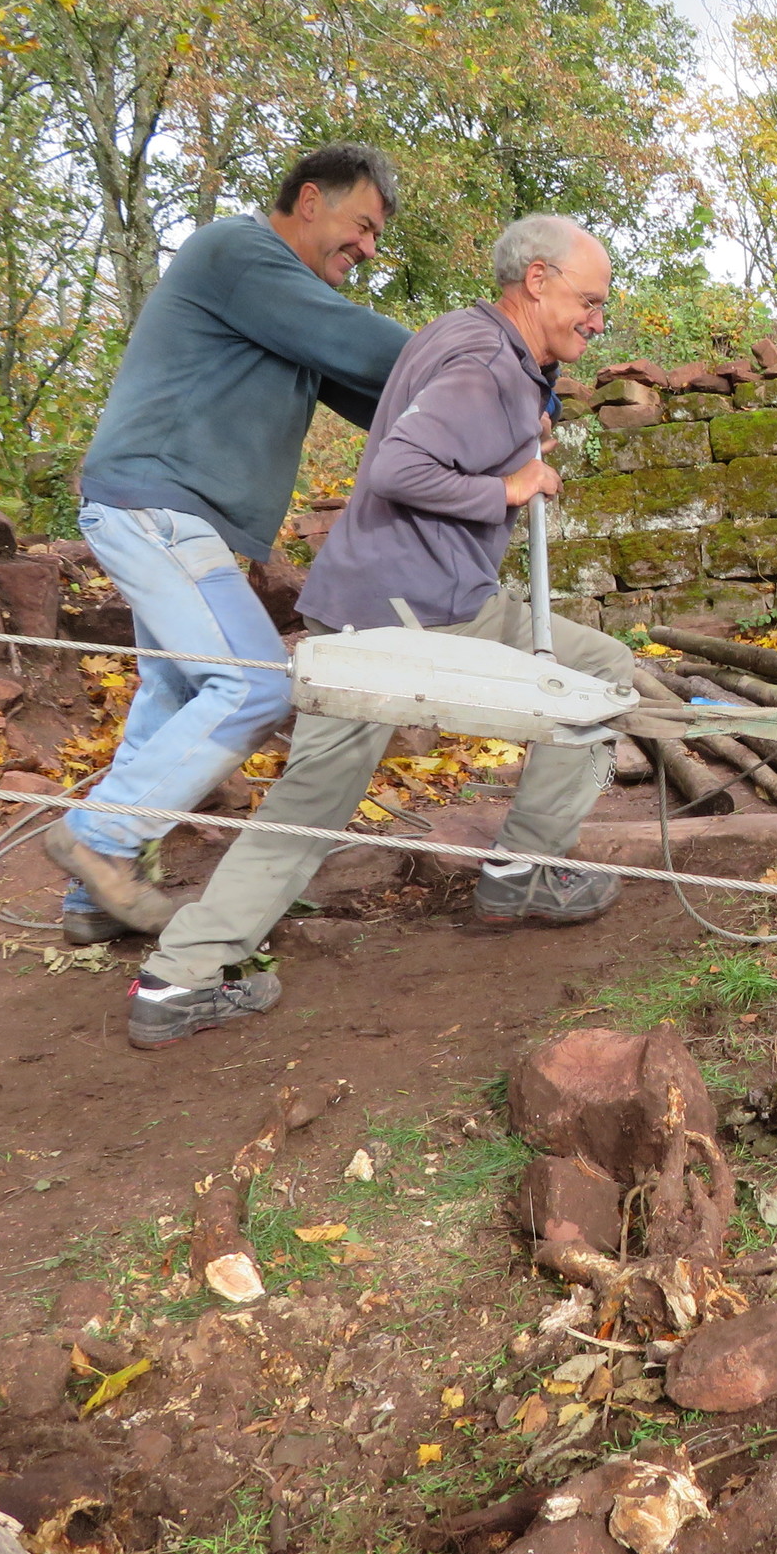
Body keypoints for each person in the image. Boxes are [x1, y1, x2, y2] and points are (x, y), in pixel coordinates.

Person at [123, 213, 637, 1049]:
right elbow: (401, 466)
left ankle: (180, 978)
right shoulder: (484, 366)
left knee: (314, 798)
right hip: (421, 613)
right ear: (537, 280)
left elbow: (455, 424)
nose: (598, 319)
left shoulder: (469, 338)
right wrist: (507, 489)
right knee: (598, 677)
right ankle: (524, 869)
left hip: (377, 600)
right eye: (590, 300)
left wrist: (521, 433)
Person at [45, 144, 413, 945]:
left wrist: (493, 417)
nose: (368, 248)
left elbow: (383, 394)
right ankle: (98, 839)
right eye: (361, 225)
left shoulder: (287, 312)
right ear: (309, 201)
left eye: (376, 237)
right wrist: (485, 359)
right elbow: (368, 345)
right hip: (157, 507)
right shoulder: (239, 253)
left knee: (174, 696)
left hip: (168, 514)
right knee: (253, 687)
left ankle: (94, 897)